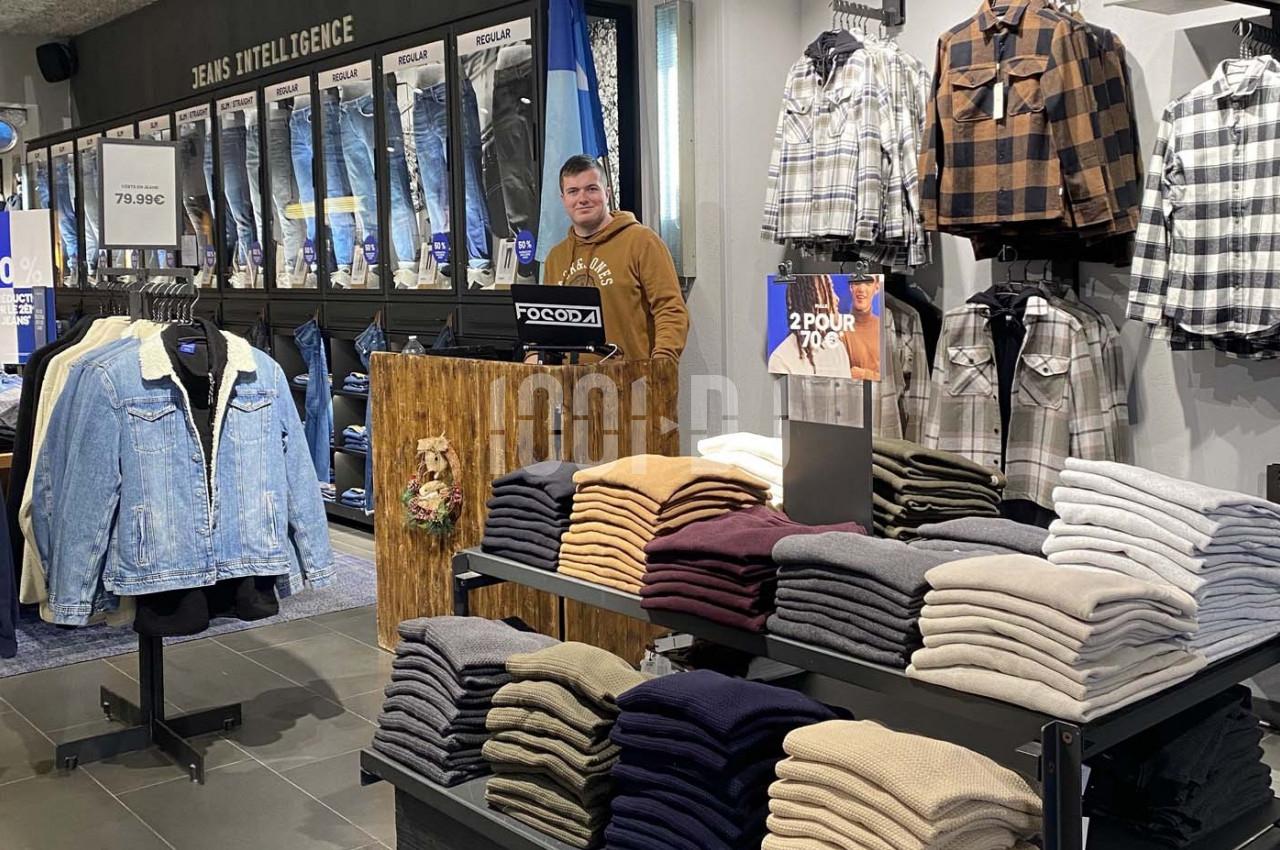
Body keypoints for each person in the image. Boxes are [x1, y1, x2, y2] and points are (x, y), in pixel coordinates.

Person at [541, 155, 689, 362]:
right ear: (563, 199)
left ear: (607, 193)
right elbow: (546, 326)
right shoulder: (555, 258)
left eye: (591, 189)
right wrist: (535, 356)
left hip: (631, 383)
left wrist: (662, 362)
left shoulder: (641, 241)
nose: (582, 198)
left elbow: (670, 309)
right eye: (573, 191)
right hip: (569, 386)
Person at [767, 275, 853, 377]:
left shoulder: (838, 348)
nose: (836, 298)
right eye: (828, 289)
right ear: (809, 298)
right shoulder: (781, 360)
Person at [842, 275, 883, 381]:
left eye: (868, 282)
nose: (861, 289)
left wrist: (866, 375)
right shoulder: (839, 329)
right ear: (851, 286)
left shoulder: (884, 326)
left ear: (877, 287)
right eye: (856, 282)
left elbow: (894, 379)